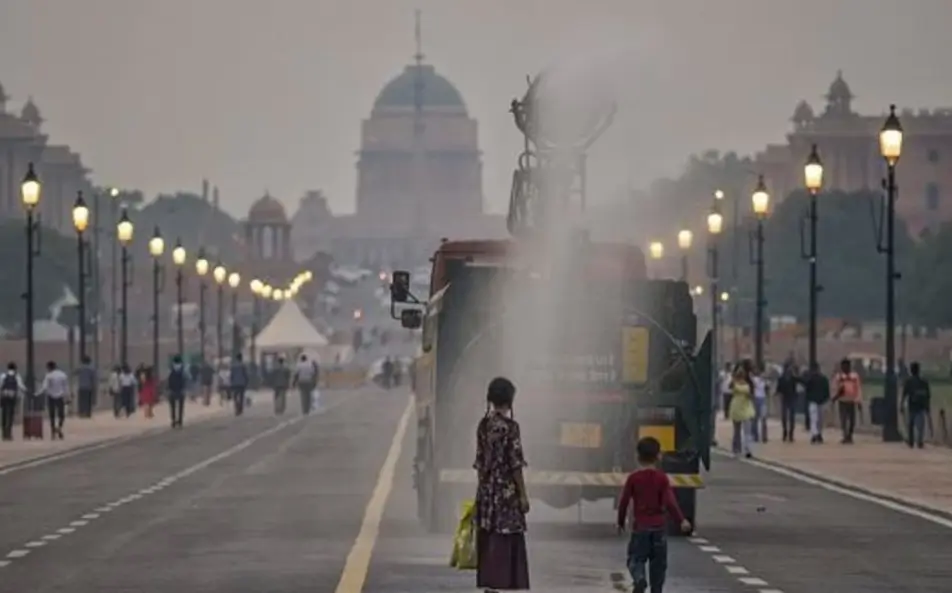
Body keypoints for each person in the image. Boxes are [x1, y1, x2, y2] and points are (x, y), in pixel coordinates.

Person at [474, 377, 530, 592]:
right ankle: (503, 582)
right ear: (510, 399)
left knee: (489, 533)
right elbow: (515, 464)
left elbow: (480, 461)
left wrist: (483, 487)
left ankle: (489, 584)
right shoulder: (511, 428)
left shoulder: (483, 425)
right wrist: (523, 495)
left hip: (487, 491)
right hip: (506, 492)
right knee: (506, 535)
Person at [617, 436, 692, 593]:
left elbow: (623, 501)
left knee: (635, 559)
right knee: (658, 566)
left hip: (640, 528)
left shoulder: (633, 478)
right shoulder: (661, 478)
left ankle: (639, 578)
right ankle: (656, 590)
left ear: (637, 457)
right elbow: (670, 502)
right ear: (659, 456)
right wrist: (682, 520)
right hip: (658, 529)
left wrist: (620, 522)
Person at [832, 358, 862, 444]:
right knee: (844, 419)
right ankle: (845, 435)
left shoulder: (855, 377)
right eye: (843, 366)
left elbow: (858, 388)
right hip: (842, 401)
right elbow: (835, 388)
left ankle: (850, 435)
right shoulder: (839, 377)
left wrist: (858, 400)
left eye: (847, 366)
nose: (845, 368)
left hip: (852, 401)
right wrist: (835, 396)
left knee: (852, 420)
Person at [901, 362, 931, 449]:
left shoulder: (909, 382)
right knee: (920, 426)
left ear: (911, 370)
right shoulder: (924, 382)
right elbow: (928, 396)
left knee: (910, 424)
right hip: (920, 407)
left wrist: (901, 404)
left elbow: (904, 394)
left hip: (912, 407)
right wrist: (927, 407)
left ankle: (911, 441)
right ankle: (919, 442)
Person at [728, 363, 755, 458]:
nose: (741, 374)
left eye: (742, 372)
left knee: (747, 430)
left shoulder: (749, 383)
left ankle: (748, 449)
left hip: (746, 407)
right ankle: (736, 449)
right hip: (736, 407)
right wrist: (734, 378)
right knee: (737, 431)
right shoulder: (734, 382)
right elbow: (730, 387)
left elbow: (751, 395)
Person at [802, 362, 830, 444]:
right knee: (819, 420)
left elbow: (807, 389)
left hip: (813, 401)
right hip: (820, 401)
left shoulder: (810, 379)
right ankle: (818, 434)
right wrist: (826, 398)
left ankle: (815, 434)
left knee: (814, 419)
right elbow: (826, 390)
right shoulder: (823, 379)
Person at [40, 361, 69, 439]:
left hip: (51, 397)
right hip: (60, 396)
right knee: (61, 414)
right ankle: (59, 427)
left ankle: (53, 431)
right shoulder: (62, 375)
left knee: (52, 415)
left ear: (49, 367)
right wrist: (67, 397)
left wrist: (38, 393)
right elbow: (65, 387)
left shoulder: (48, 376)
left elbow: (44, 387)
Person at [0, 362, 25, 440]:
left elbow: (0, 385)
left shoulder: (3, 376)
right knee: (10, 415)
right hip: (12, 397)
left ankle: (4, 433)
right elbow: (21, 386)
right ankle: (9, 433)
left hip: (4, 396)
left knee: (4, 415)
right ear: (15, 368)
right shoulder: (17, 376)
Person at [776, 363, 800, 442]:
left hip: (792, 398)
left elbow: (800, 381)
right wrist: (778, 394)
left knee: (792, 416)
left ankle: (791, 433)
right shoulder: (781, 379)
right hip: (784, 398)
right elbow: (778, 389)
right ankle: (785, 431)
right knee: (784, 416)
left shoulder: (793, 378)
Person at [167, 356, 188, 428]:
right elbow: (185, 381)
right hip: (180, 390)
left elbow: (168, 381)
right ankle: (180, 420)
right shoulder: (183, 371)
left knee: (173, 407)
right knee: (180, 406)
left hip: (172, 390)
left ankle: (173, 420)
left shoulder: (170, 371)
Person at [750, 364, 769, 443]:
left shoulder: (764, 381)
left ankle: (764, 436)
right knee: (755, 418)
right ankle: (755, 435)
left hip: (763, 398)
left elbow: (767, 389)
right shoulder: (754, 379)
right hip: (756, 398)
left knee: (764, 418)